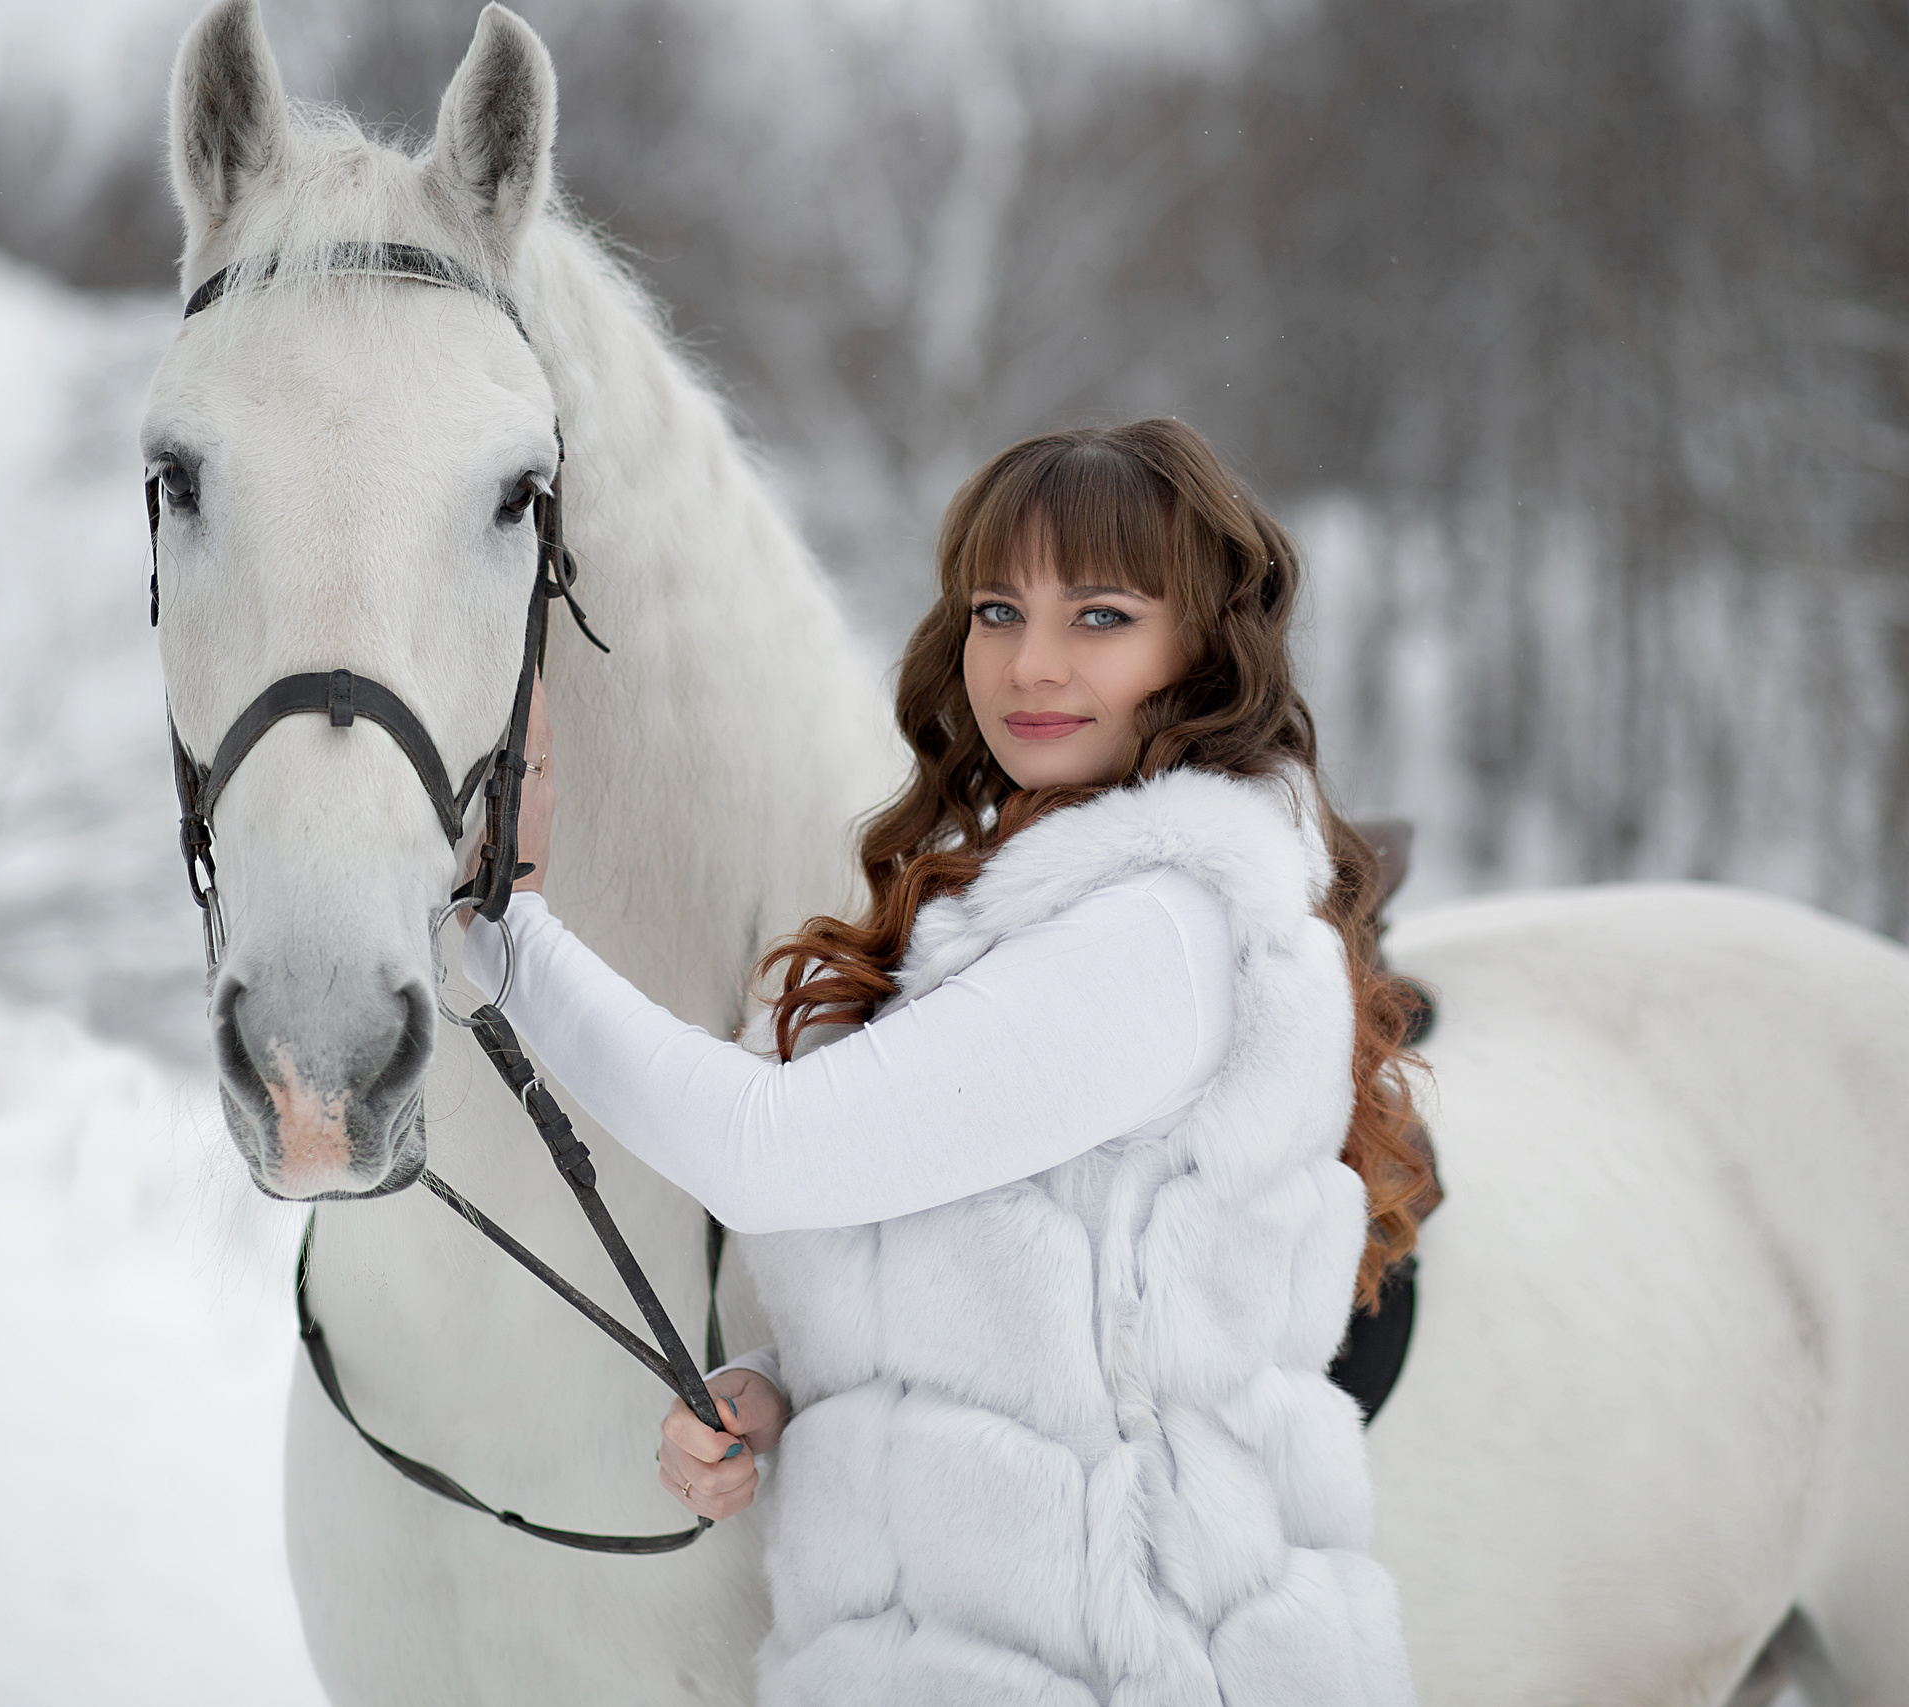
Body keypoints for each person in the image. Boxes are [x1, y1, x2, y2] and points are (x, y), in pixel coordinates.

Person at [464, 419, 1431, 1704]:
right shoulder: (1015, 910)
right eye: (995, 609)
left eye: (1100, 616)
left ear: (1198, 648)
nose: (1030, 663)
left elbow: (771, 1154)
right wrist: (792, 1391)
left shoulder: (1160, 926)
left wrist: (503, 928)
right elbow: (1018, 1286)